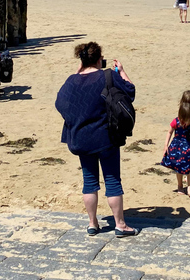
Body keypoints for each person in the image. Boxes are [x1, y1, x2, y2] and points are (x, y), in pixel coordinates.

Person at [54, 41, 140, 237]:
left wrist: (78, 73)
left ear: (82, 60)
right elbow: (131, 91)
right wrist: (122, 72)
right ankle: (120, 224)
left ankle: (93, 223)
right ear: (99, 59)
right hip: (105, 137)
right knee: (112, 180)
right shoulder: (107, 76)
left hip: (81, 138)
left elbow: (60, 103)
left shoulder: (71, 80)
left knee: (89, 181)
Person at [161, 93, 190, 200]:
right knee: (178, 167)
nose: (186, 122)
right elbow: (169, 132)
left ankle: (189, 189)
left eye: (188, 120)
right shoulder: (176, 121)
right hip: (178, 147)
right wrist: (166, 145)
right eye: (184, 120)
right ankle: (180, 186)